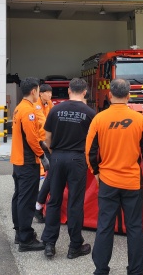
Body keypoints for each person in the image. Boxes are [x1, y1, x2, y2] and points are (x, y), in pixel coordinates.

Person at [86, 79, 143, 275]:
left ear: (109, 95)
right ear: (128, 96)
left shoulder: (99, 119)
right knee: (134, 227)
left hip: (108, 181)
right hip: (132, 181)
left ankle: (101, 270)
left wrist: (96, 172)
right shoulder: (138, 119)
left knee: (105, 226)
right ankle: (136, 271)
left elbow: (90, 151)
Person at [41, 78, 96, 259]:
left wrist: (54, 153)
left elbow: (47, 138)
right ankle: (74, 246)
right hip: (77, 159)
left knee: (54, 200)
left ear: (69, 90)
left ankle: (49, 244)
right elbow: (94, 141)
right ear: (85, 92)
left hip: (57, 157)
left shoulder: (55, 109)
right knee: (75, 203)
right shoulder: (90, 113)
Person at [11, 77, 51, 251]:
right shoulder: (28, 110)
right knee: (27, 200)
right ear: (34, 91)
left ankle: (20, 232)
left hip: (19, 160)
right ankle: (26, 239)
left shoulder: (20, 107)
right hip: (27, 161)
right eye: (39, 90)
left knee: (19, 197)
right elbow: (32, 138)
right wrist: (42, 156)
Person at [34, 84, 54, 223]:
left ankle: (40, 203)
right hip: (42, 143)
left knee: (51, 174)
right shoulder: (36, 106)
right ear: (40, 93)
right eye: (47, 93)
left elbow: (54, 116)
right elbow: (44, 123)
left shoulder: (49, 103)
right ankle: (38, 205)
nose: (50, 95)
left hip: (48, 142)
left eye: (51, 93)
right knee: (51, 174)